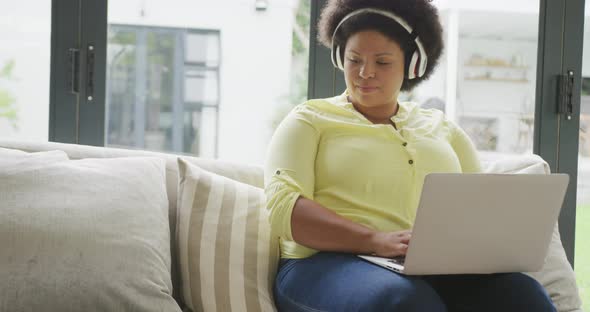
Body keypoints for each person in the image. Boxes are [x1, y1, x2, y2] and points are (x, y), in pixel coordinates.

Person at [264, 0, 556, 311]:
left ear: (412, 65)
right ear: (340, 58)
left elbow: (481, 207)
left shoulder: (443, 129)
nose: (365, 73)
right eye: (354, 60)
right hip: (320, 266)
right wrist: (375, 240)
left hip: (419, 268)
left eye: (382, 62)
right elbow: (284, 209)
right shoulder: (309, 119)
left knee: (522, 293)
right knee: (407, 301)